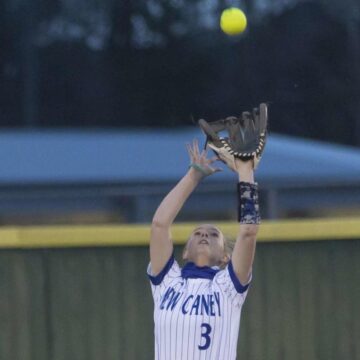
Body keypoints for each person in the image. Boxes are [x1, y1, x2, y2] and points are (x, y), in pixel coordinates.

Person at [147, 138, 260, 360]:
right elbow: (159, 225)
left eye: (213, 233)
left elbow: (248, 232)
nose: (204, 234)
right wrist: (192, 176)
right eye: (197, 232)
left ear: (226, 256)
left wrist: (245, 170)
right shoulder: (167, 281)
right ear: (185, 252)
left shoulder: (228, 287)